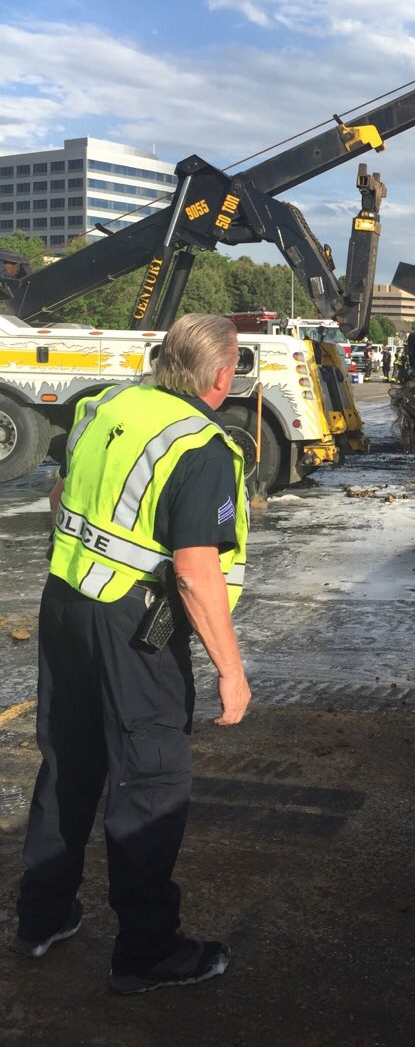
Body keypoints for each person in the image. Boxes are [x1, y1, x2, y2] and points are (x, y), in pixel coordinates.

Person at [11, 314, 251, 995]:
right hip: (134, 628)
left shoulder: (102, 406)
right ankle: (147, 950)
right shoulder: (202, 447)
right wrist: (230, 674)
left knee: (69, 763)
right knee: (148, 784)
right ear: (222, 375)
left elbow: (61, 498)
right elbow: (195, 571)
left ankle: (42, 918)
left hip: (67, 607)